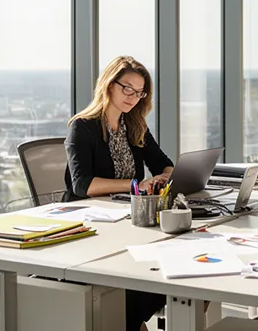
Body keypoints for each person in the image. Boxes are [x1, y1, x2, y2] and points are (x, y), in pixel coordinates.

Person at [64, 55, 173, 331]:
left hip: (129, 218)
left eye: (139, 92)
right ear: (109, 85)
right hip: (92, 225)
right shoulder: (83, 127)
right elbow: (83, 185)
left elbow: (163, 163)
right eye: (128, 89)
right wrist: (135, 185)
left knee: (175, 277)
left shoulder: (135, 125)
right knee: (144, 289)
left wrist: (164, 176)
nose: (133, 98)